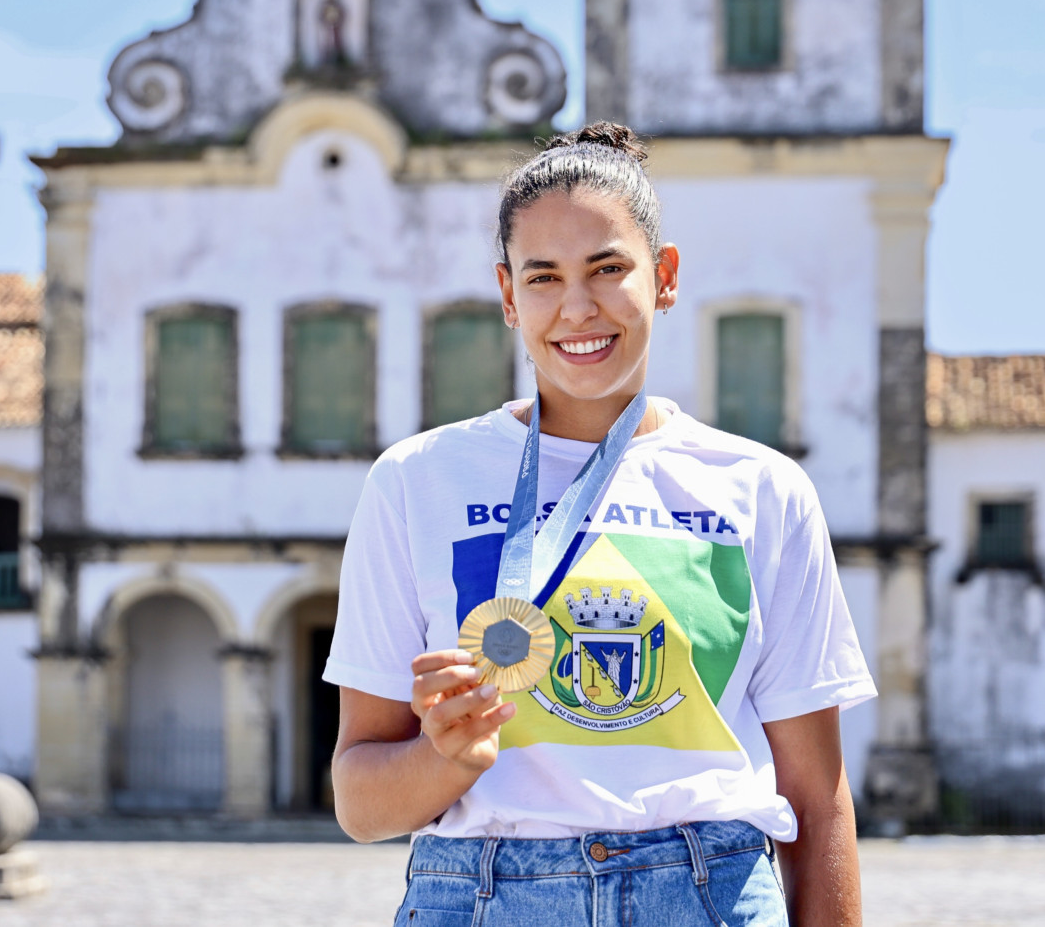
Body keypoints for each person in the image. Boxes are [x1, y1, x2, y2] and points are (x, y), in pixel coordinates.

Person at [324, 123, 874, 926]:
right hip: (479, 900)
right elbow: (361, 805)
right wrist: (442, 759)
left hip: (707, 895)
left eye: (609, 268)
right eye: (543, 277)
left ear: (666, 274)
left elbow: (818, 805)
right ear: (509, 296)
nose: (577, 307)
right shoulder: (416, 482)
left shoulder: (763, 489)